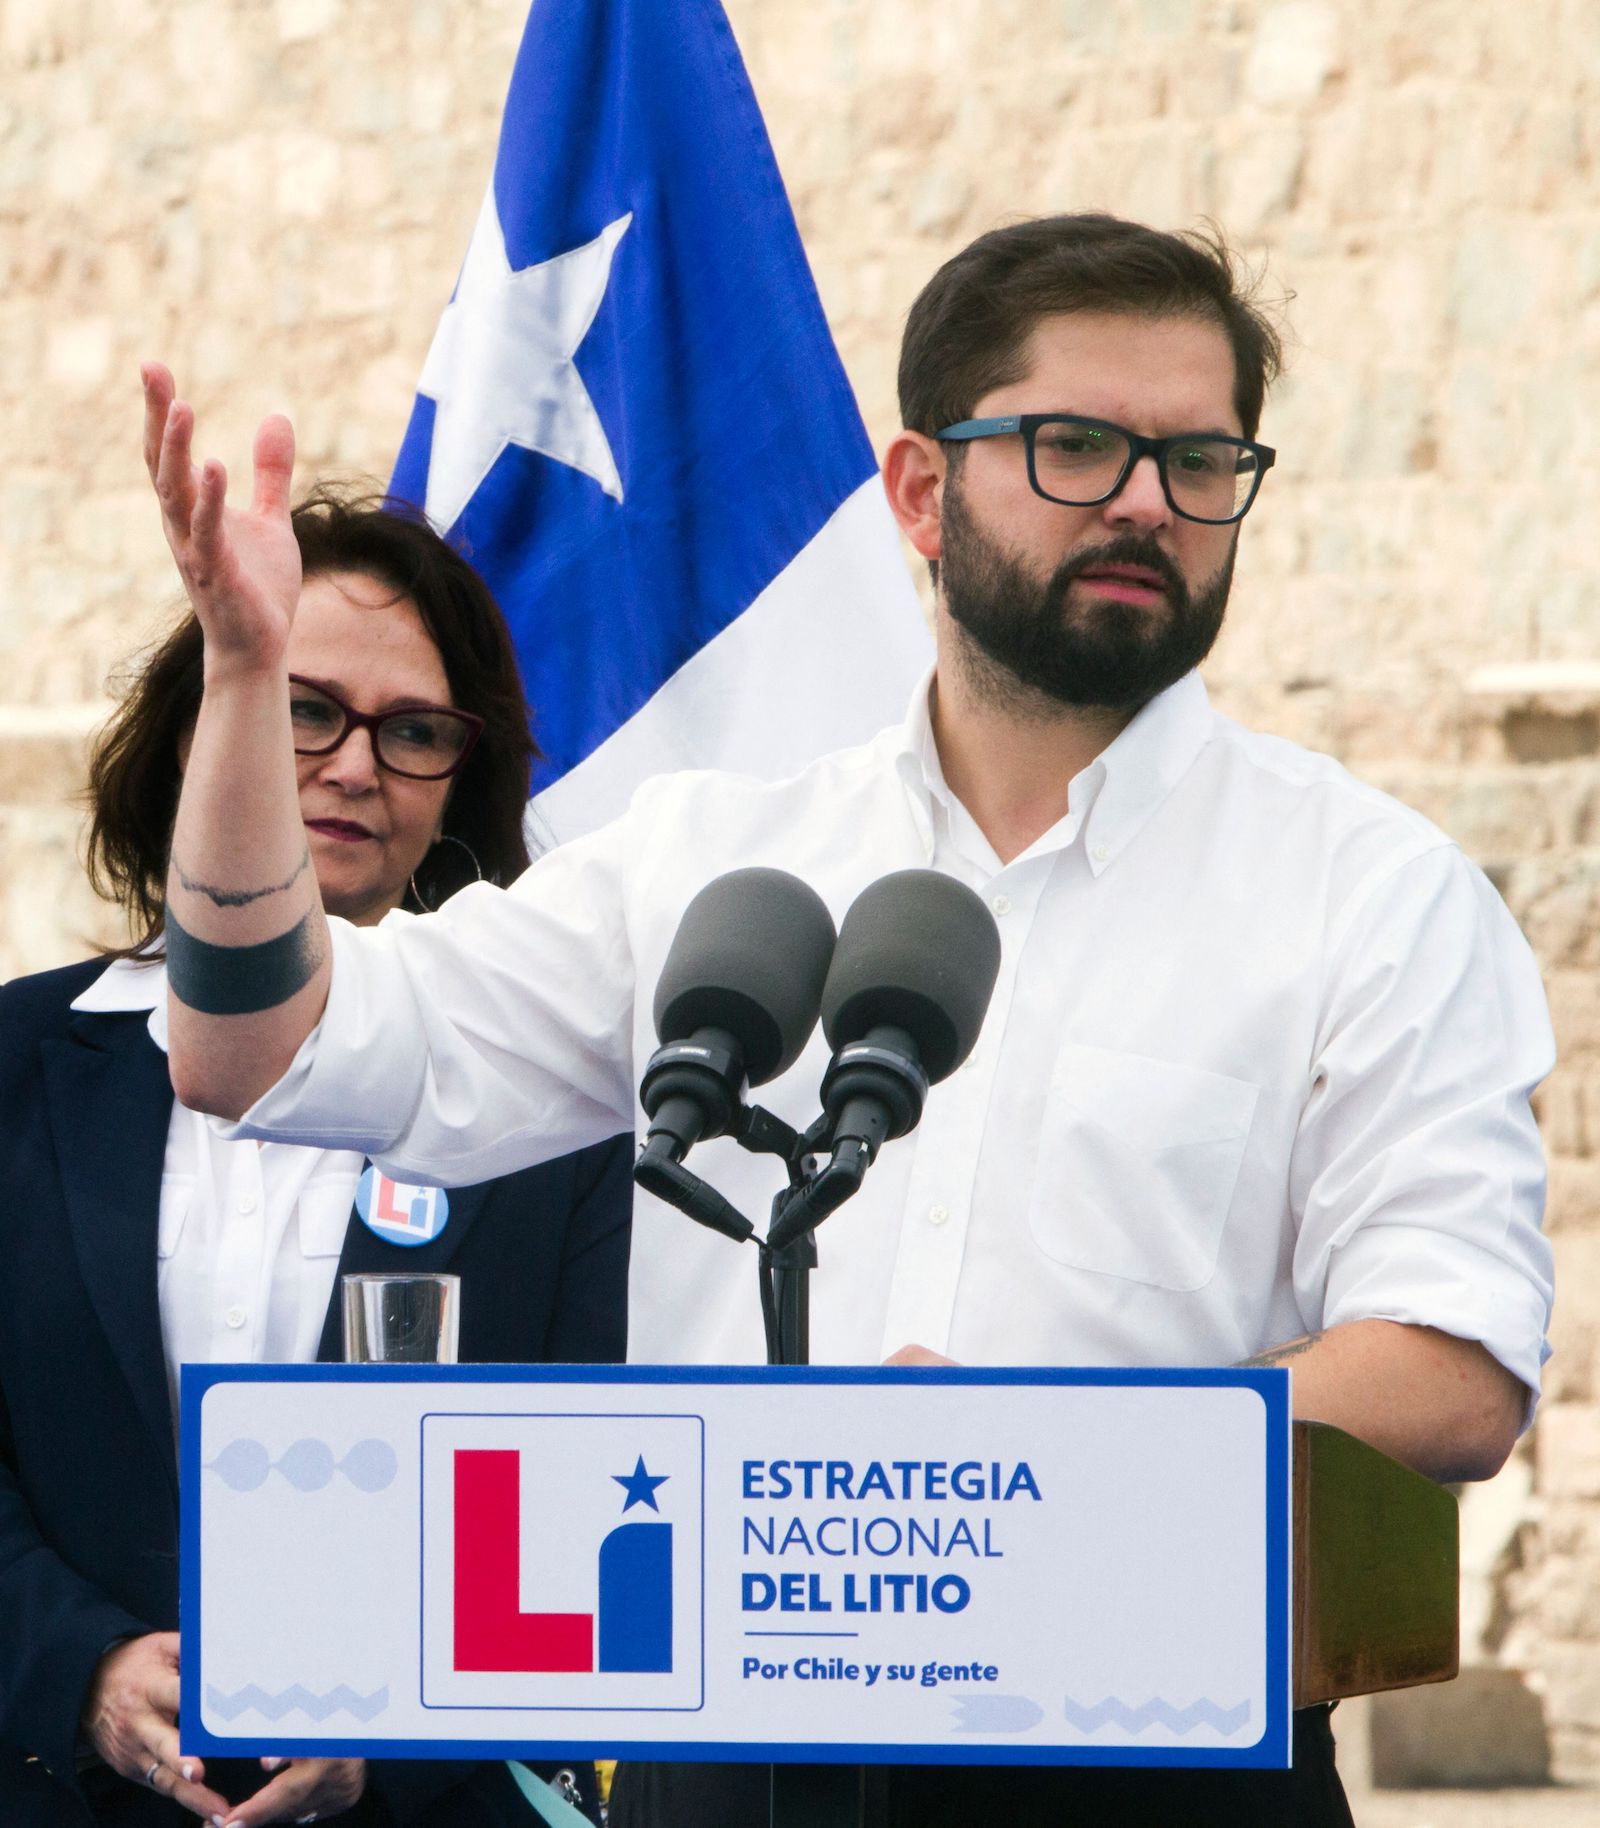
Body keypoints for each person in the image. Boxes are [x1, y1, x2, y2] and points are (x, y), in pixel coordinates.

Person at [153, 214, 1553, 1826]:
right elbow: (264, 1050)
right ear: (918, 491)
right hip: (724, 1768)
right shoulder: (709, 860)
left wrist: (1006, 1475)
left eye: (1200, 460)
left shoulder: (1372, 891)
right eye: (1078, 446)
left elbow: (1454, 1368)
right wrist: (251, 689)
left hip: (1154, 1764)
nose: (1149, 506)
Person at [0, 446, 629, 1827]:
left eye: (413, 731)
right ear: (199, 728)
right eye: (304, 710)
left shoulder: (561, 1110)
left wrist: (388, 1728)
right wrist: (82, 1673)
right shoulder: (12, 1062)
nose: (355, 766)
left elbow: (594, 1496)